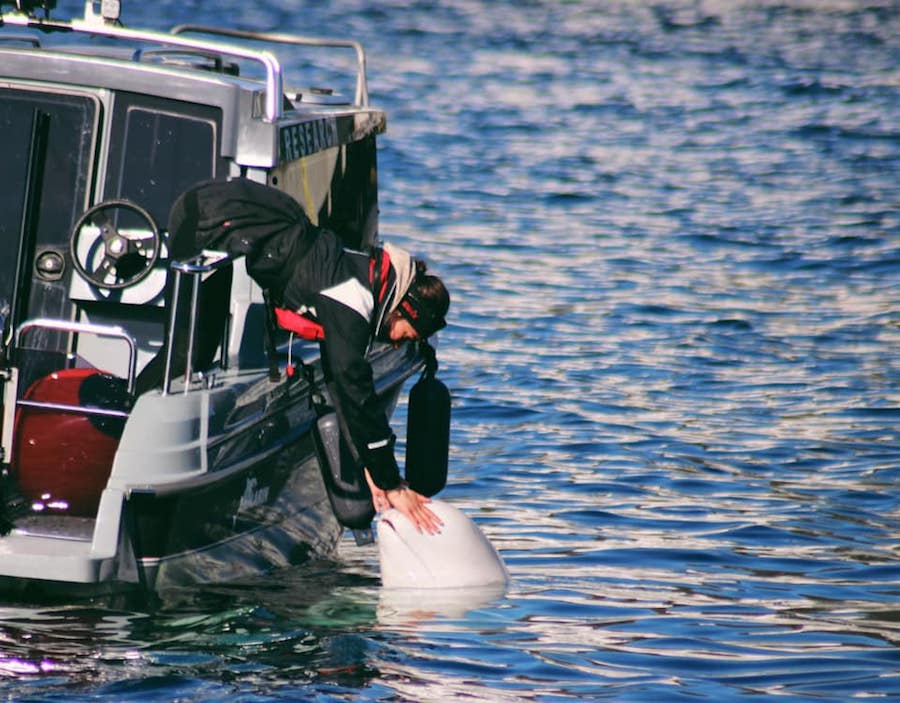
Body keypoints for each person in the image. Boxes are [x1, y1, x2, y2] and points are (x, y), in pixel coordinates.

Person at [139, 178, 449, 534]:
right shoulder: (353, 294)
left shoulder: (361, 276)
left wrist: (371, 468)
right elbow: (354, 390)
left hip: (235, 221)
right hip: (210, 220)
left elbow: (340, 383)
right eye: (404, 335)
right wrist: (392, 484)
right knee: (185, 359)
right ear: (401, 309)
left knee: (197, 355)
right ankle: (124, 424)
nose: (396, 344)